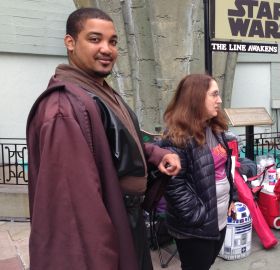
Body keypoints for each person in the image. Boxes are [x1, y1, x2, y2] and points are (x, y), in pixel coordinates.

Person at [26, 8, 180, 270]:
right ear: (70, 43)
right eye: (95, 39)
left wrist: (156, 154)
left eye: (113, 41)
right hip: (111, 227)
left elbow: (114, 145)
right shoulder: (64, 107)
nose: (107, 49)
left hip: (128, 220)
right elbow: (74, 213)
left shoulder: (97, 91)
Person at [160, 74, 237, 270]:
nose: (219, 100)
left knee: (207, 263)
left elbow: (225, 168)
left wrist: (232, 198)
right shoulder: (177, 137)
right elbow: (173, 186)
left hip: (218, 218)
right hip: (197, 226)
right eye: (214, 95)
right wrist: (199, 216)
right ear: (196, 98)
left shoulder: (214, 129)